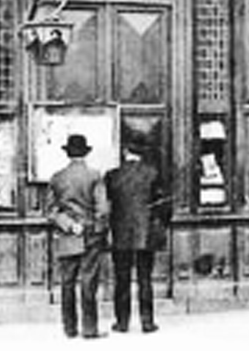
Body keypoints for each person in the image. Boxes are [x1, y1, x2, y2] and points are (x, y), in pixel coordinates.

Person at [104, 134, 169, 334]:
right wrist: (159, 225)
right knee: (145, 278)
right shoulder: (153, 173)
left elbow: (106, 206)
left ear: (125, 152)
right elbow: (164, 205)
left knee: (121, 279)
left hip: (120, 233)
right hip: (145, 233)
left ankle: (122, 322)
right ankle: (147, 322)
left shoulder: (113, 175)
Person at [46, 133, 109, 339]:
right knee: (89, 282)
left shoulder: (57, 178)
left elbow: (51, 211)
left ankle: (70, 328)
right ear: (85, 153)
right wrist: (95, 229)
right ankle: (89, 329)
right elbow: (102, 210)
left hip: (67, 234)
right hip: (90, 234)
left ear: (68, 154)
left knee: (67, 282)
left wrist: (70, 225)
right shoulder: (94, 176)